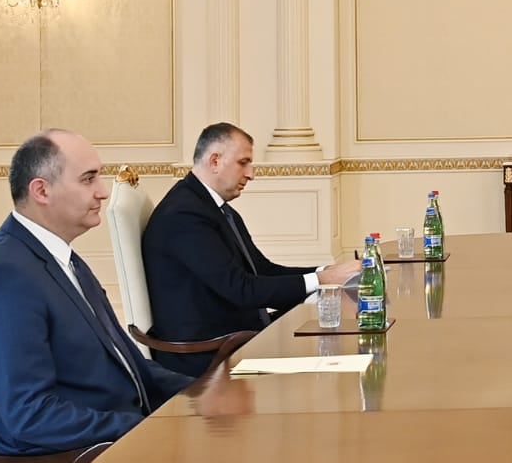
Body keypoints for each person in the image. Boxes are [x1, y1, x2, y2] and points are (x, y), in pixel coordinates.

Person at [0, 129, 193, 463]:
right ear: (41, 190)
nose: (103, 191)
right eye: (88, 179)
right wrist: (146, 429)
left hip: (105, 454)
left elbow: (132, 367)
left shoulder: (57, 257)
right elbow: (31, 415)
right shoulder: (4, 278)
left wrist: (204, 395)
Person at [142, 122, 359, 377]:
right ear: (214, 161)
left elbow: (262, 270)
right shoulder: (184, 216)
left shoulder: (210, 207)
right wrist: (321, 280)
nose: (251, 174)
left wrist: (328, 273)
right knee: (337, 358)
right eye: (243, 163)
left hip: (236, 336)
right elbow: (242, 290)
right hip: (208, 354)